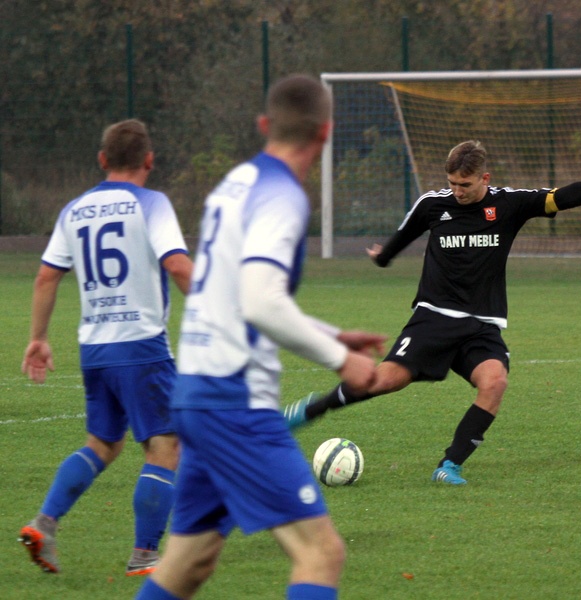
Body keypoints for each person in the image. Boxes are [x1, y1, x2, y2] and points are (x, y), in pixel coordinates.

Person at [135, 74, 384, 600]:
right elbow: (261, 301)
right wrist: (341, 358)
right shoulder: (282, 196)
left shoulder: (234, 185)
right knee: (321, 554)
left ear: (265, 125)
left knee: (189, 564)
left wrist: (333, 333)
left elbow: (237, 294)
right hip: (235, 404)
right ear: (327, 132)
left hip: (196, 395)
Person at [282, 140, 581, 485]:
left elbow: (564, 197)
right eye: (452, 183)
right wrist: (383, 256)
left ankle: (449, 466)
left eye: (466, 184)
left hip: (481, 326)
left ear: (484, 178)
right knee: (383, 382)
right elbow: (402, 238)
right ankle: (310, 410)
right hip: (433, 319)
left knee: (495, 383)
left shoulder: (510, 204)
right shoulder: (432, 205)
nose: (458, 190)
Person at [19, 119, 193, 575]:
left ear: (102, 160)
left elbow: (46, 276)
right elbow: (177, 264)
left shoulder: (74, 210)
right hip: (142, 348)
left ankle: (44, 523)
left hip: (94, 349)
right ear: (149, 161)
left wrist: (38, 338)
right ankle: (145, 555)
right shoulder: (152, 203)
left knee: (103, 443)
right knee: (166, 445)